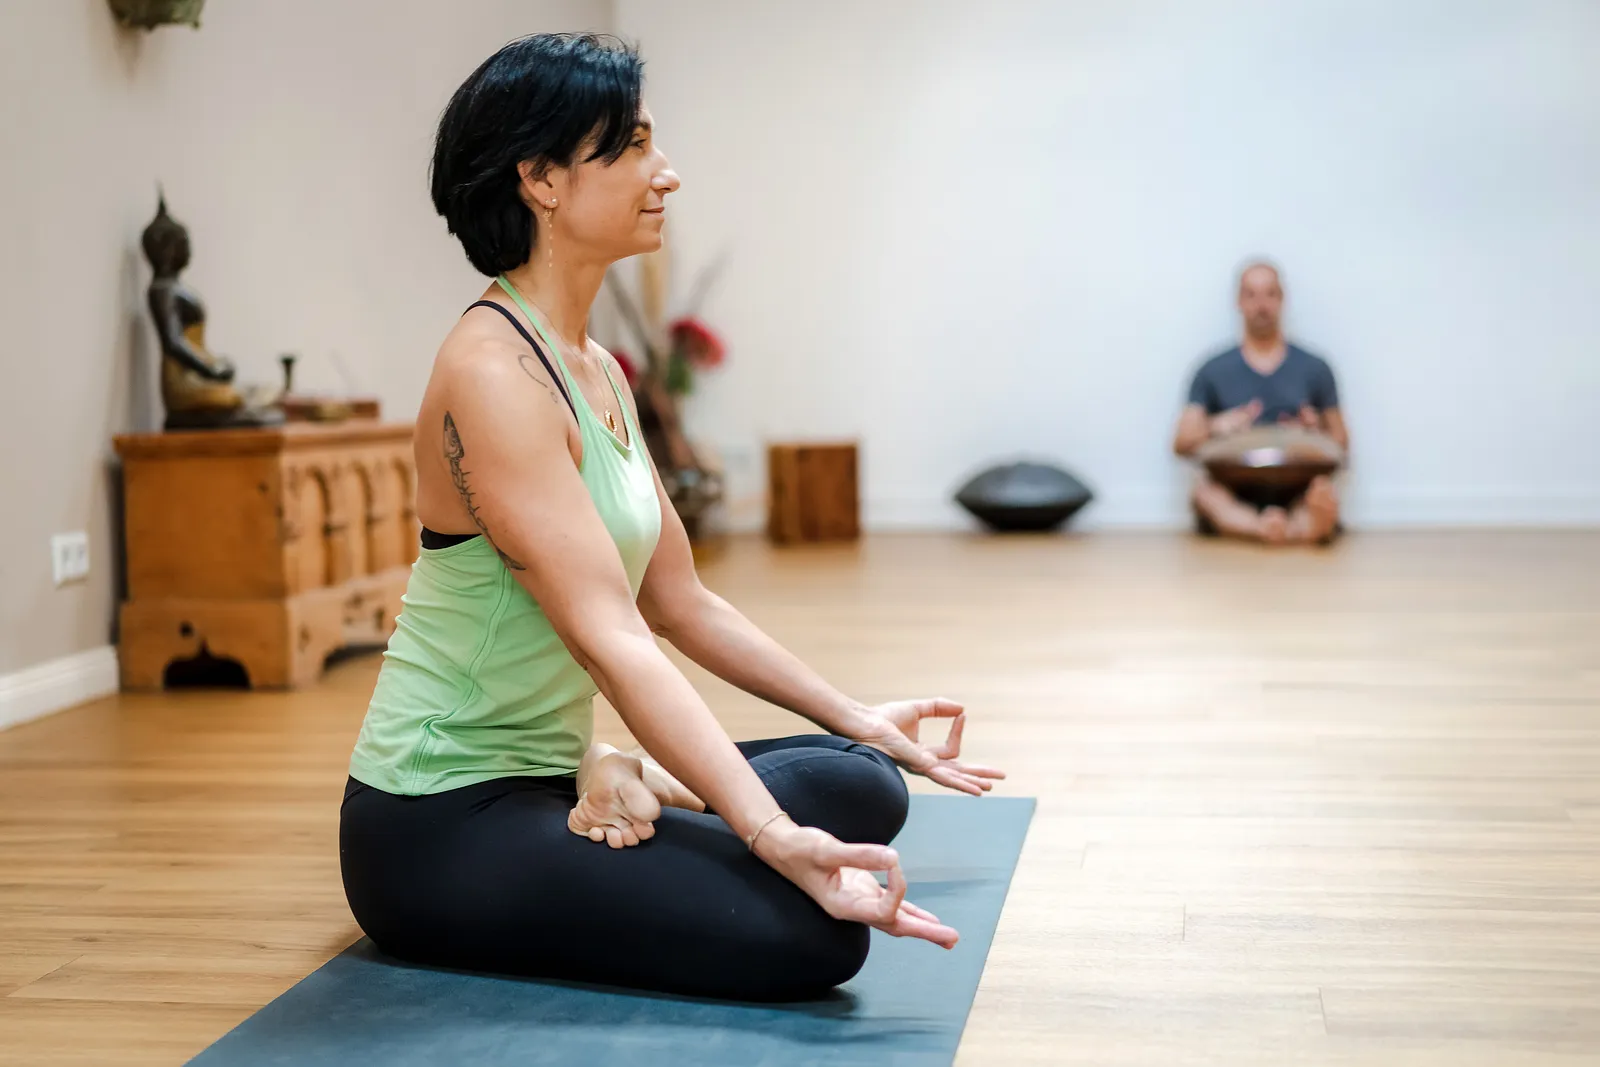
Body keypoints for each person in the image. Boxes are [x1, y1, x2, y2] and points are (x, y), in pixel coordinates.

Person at [338, 33, 1005, 1004]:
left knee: (864, 780)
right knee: (809, 937)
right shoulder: (492, 374)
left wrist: (863, 716)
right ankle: (625, 779)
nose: (668, 174)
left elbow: (680, 601)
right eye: (634, 145)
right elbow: (611, 636)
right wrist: (774, 839)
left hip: (546, 774)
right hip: (437, 819)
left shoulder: (596, 367)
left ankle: (621, 773)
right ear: (541, 178)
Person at [1171, 261, 1350, 544]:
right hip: (1235, 490)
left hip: (1296, 487)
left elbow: (1342, 443)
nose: (1261, 305)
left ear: (1282, 299)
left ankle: (1289, 524)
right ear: (1239, 302)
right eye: (1251, 295)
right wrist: (1218, 425)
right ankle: (1270, 528)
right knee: (1204, 493)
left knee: (1322, 492)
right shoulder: (1212, 370)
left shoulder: (1315, 367)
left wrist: (1313, 432)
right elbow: (1180, 443)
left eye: (1270, 294)